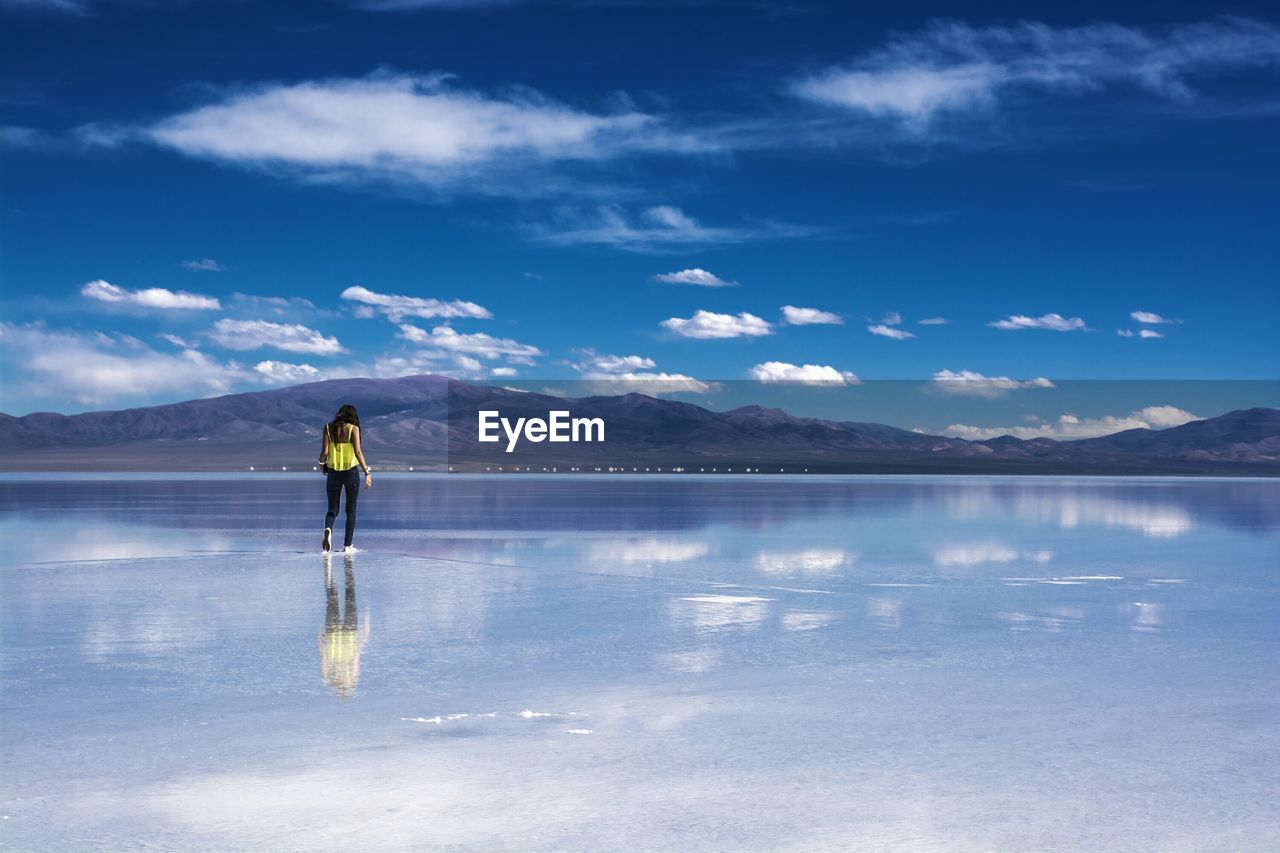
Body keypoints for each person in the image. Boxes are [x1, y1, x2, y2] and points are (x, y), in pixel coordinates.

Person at [319, 403, 372, 552]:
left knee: (332, 508)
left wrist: (321, 464)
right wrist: (367, 472)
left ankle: (328, 529)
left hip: (333, 473)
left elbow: (324, 451)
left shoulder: (328, 428)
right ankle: (347, 546)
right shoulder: (353, 429)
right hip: (351, 473)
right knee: (351, 510)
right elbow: (358, 452)